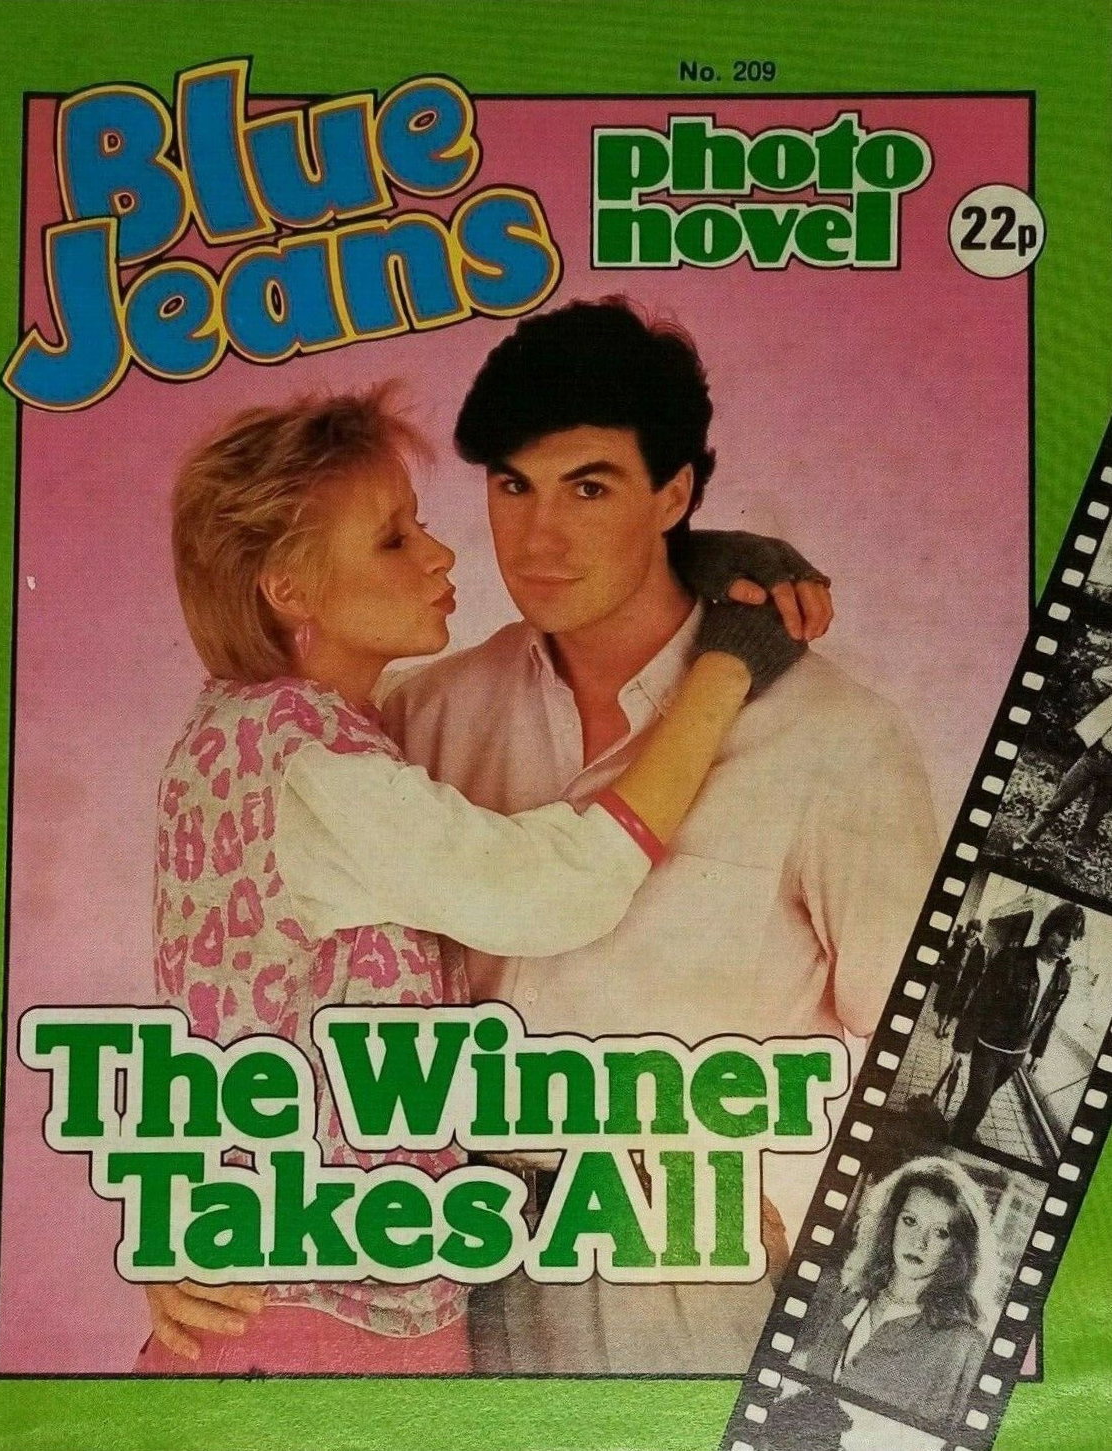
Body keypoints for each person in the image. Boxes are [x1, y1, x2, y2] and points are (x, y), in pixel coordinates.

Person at [137, 386, 810, 1374]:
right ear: (288, 589)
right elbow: (553, 887)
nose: (438, 555)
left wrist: (665, 567)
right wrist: (722, 667)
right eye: (392, 539)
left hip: (271, 1292)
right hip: (335, 1326)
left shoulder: (232, 730)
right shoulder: (316, 768)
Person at [377, 298, 939, 1374]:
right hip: (443, 1248)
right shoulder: (425, 714)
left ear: (674, 493)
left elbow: (916, 1057)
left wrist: (793, 1221)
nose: (538, 538)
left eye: (588, 487)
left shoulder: (836, 740)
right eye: (512, 486)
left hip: (677, 1259)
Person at [794, 1157, 996, 1429]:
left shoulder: (963, 1342)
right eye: (910, 1221)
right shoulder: (850, 1299)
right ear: (890, 1223)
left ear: (958, 1247)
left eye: (940, 1232)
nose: (919, 1242)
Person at [951, 902, 1086, 1147]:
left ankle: (958, 1128)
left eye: (1074, 938)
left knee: (979, 1099)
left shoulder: (1064, 977)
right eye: (1063, 934)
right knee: (979, 1101)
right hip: (989, 1046)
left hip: (1017, 1055)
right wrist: (961, 1045)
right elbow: (980, 1001)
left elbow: (1049, 1017)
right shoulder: (1011, 958)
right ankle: (958, 1140)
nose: (1068, 943)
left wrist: (1038, 1053)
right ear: (1048, 930)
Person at [1015, 663, 1112, 854]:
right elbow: (1099, 675)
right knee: (1060, 799)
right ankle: (1028, 838)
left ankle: (1076, 852)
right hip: (1095, 754)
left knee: (1094, 817)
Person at [933, 918, 984, 1040]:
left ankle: (946, 1026)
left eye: (976, 931)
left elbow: (979, 968)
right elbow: (947, 954)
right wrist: (945, 966)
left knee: (956, 1007)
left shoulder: (979, 949)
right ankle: (940, 1027)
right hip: (951, 977)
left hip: (965, 982)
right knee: (943, 1003)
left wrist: (974, 984)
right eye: (971, 929)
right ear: (968, 928)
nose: (973, 932)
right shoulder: (959, 941)